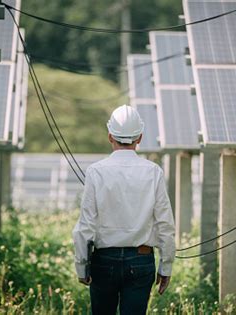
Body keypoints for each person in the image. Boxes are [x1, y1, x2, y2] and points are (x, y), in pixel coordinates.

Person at [72, 104, 176, 314]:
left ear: (110, 136)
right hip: (141, 259)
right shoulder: (153, 172)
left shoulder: (95, 172)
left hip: (103, 261)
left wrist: (82, 266)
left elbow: (85, 226)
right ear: (139, 137)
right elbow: (165, 224)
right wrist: (166, 266)